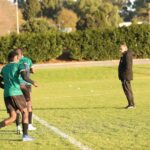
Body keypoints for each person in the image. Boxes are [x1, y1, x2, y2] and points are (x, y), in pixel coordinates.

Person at [0, 51, 37, 141]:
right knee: (25, 112)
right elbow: (24, 77)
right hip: (16, 93)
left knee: (12, 117)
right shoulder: (18, 65)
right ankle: (25, 136)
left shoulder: (4, 68)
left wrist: (4, 87)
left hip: (7, 94)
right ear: (16, 57)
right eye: (18, 57)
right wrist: (33, 82)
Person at [14, 48, 36, 133]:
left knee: (17, 106)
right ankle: (29, 125)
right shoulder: (28, 60)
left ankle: (18, 126)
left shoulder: (14, 62)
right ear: (22, 53)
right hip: (27, 84)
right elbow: (33, 70)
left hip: (17, 84)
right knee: (29, 104)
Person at [118, 42, 135, 109]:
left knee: (127, 90)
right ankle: (131, 104)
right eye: (120, 49)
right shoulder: (125, 55)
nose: (120, 50)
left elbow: (128, 66)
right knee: (127, 90)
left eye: (121, 49)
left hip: (126, 76)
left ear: (125, 48)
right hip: (124, 76)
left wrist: (124, 75)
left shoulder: (127, 55)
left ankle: (131, 104)